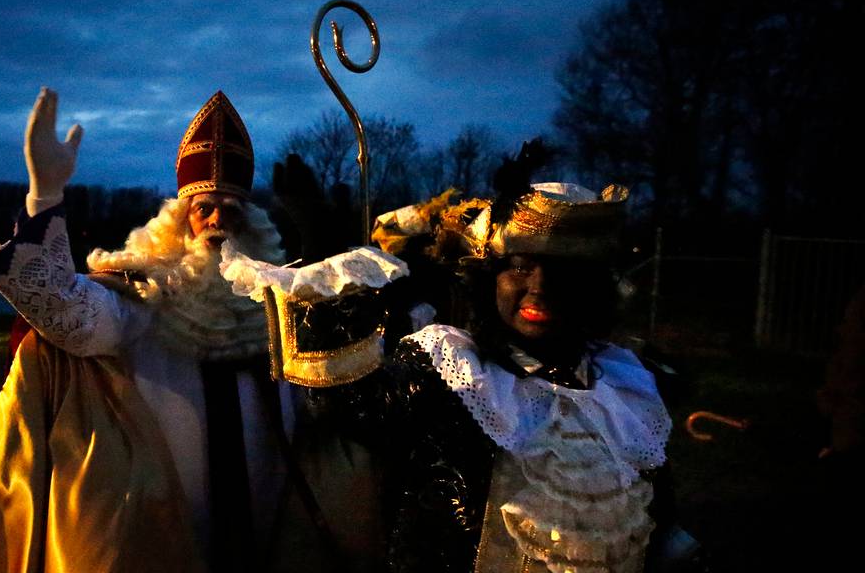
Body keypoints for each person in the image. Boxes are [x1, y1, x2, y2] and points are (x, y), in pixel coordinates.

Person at [0, 88, 378, 573]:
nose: (218, 220)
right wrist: (45, 196)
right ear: (179, 222)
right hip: (166, 532)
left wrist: (325, 238)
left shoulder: (277, 301)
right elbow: (64, 310)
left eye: (232, 210)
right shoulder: (143, 297)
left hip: (267, 521)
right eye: (204, 208)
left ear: (249, 225)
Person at [228, 163, 683, 572]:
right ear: (490, 279)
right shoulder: (451, 372)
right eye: (519, 267)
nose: (539, 287)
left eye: (562, 273)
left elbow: (655, 523)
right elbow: (344, 402)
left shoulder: (628, 387)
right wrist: (323, 254)